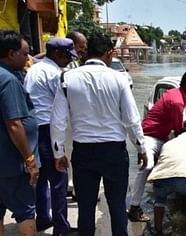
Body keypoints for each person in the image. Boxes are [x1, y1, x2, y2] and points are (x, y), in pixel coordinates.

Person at [50, 32, 146, 236]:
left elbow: (57, 120)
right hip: (114, 152)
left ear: (86, 53)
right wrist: (141, 147)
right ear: (109, 53)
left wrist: (58, 153)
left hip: (83, 152)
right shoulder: (119, 78)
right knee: (117, 206)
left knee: (86, 208)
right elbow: (131, 119)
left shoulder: (67, 78)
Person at [128, 71, 186, 222]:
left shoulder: (178, 95)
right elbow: (178, 131)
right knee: (147, 166)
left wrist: (182, 123)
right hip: (150, 136)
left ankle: (160, 196)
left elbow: (175, 123)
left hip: (161, 136)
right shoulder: (177, 101)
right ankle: (134, 206)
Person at [24, 37, 76, 235]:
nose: (69, 61)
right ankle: (61, 227)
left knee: (40, 178)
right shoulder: (54, 73)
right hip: (48, 129)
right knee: (59, 179)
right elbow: (63, 104)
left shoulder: (34, 70)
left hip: (32, 128)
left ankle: (43, 218)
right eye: (67, 57)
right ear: (57, 54)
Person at [0, 30, 39, 236]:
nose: (28, 59)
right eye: (24, 54)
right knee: (25, 212)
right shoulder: (8, 81)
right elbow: (14, 124)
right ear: (11, 53)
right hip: (12, 165)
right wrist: (30, 160)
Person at [65, 31, 88, 200]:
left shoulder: (73, 64)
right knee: (69, 152)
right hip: (67, 119)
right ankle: (73, 187)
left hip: (73, 118)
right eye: (81, 47)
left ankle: (73, 186)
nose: (83, 50)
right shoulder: (65, 66)